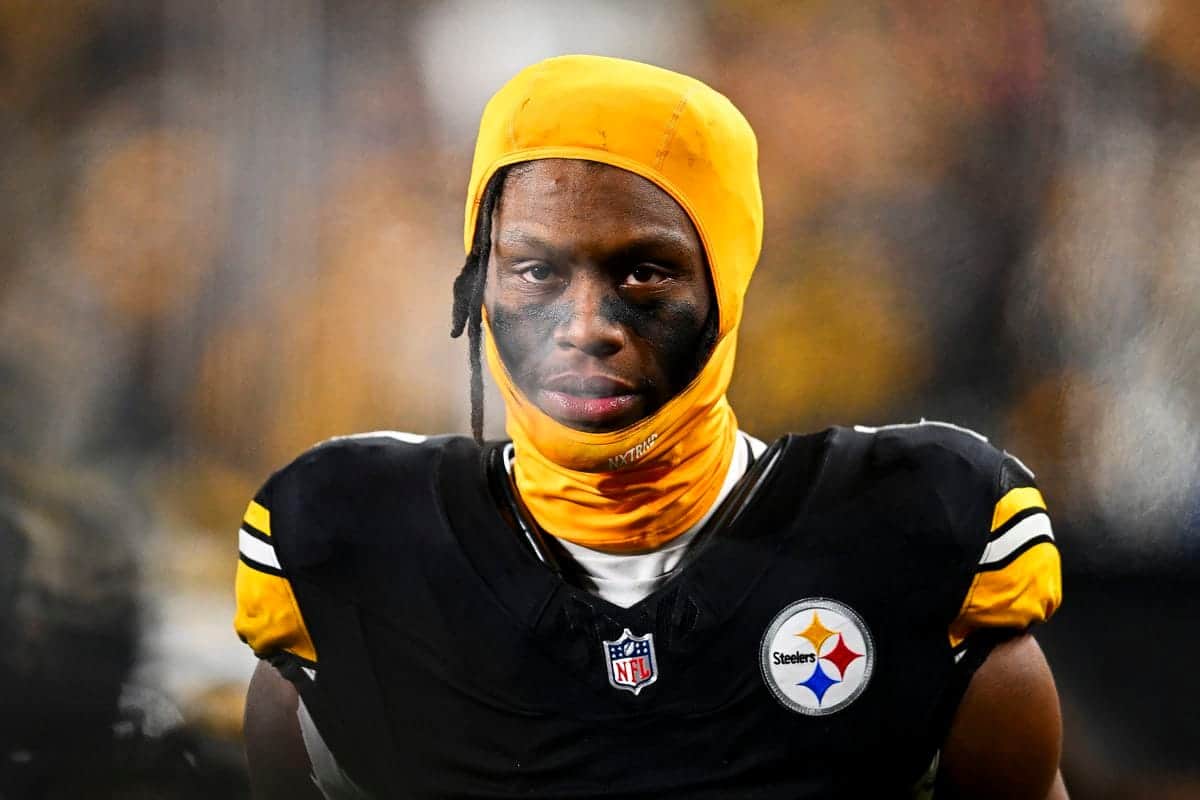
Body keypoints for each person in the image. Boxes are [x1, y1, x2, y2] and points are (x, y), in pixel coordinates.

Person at [235, 55, 1066, 799]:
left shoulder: (914, 543)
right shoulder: (350, 560)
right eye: (534, 269)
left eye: (643, 269)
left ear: (726, 281)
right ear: (475, 283)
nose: (586, 323)